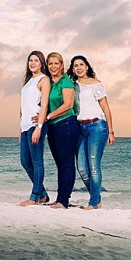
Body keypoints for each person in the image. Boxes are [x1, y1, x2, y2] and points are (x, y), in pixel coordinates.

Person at [69, 54, 114, 210]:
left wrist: (111, 131)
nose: (79, 67)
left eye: (81, 64)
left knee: (94, 166)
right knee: (82, 168)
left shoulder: (96, 84)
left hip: (97, 126)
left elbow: (106, 107)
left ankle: (93, 203)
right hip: (80, 129)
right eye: (75, 66)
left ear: (87, 66)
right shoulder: (72, 85)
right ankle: (97, 198)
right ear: (73, 69)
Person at [44, 52, 79, 209]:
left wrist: (49, 116)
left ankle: (63, 201)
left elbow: (68, 105)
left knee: (67, 164)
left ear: (62, 65)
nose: (53, 67)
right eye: (50, 64)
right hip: (53, 127)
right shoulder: (49, 82)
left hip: (66, 125)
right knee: (60, 164)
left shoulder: (66, 81)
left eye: (56, 63)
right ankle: (60, 198)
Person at [18, 50, 51, 206]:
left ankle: (35, 196)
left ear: (41, 63)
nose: (32, 63)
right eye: (30, 60)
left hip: (35, 125)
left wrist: (39, 127)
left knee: (37, 161)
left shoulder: (44, 80)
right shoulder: (28, 81)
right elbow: (23, 109)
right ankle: (43, 194)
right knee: (25, 161)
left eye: (36, 60)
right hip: (25, 126)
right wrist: (21, 130)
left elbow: (44, 105)